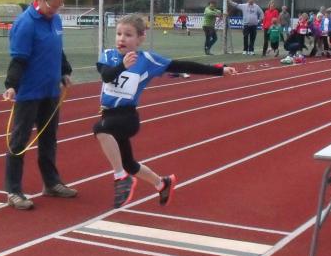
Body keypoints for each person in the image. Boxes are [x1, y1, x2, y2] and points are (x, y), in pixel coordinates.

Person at [95, 14, 236, 208]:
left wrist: (219, 70)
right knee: (129, 164)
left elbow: (182, 65)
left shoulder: (147, 60)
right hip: (108, 114)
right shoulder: (107, 55)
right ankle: (162, 183)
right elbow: (106, 76)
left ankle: (121, 178)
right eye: (119, 34)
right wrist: (122, 65)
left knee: (100, 129)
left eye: (128, 35)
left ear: (140, 38)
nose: (122, 38)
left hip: (126, 117)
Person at [2, 0, 77, 210]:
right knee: (19, 142)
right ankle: (13, 191)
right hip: (29, 93)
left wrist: (64, 72)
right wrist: (11, 85)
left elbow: (57, 49)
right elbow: (19, 58)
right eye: (53, 5)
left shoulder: (55, 20)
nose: (56, 10)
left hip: (50, 91)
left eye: (59, 5)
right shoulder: (26, 24)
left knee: (49, 139)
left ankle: (51, 183)